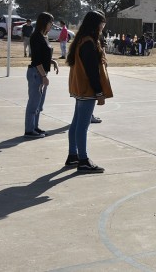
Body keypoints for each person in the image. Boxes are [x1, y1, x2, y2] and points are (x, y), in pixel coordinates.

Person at [65, 11, 112, 173]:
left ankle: (73, 155)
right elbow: (92, 71)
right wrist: (99, 92)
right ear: (95, 24)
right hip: (87, 89)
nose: (103, 27)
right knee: (82, 126)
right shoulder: (89, 43)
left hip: (79, 88)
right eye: (102, 23)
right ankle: (83, 159)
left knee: (76, 123)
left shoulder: (81, 40)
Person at [24, 12, 59, 139]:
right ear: (44, 22)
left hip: (41, 72)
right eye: (50, 22)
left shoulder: (44, 36)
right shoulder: (36, 37)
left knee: (39, 104)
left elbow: (44, 55)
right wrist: (44, 76)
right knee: (33, 103)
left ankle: (35, 127)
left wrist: (52, 61)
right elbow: (37, 60)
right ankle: (29, 130)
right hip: (36, 73)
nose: (52, 25)